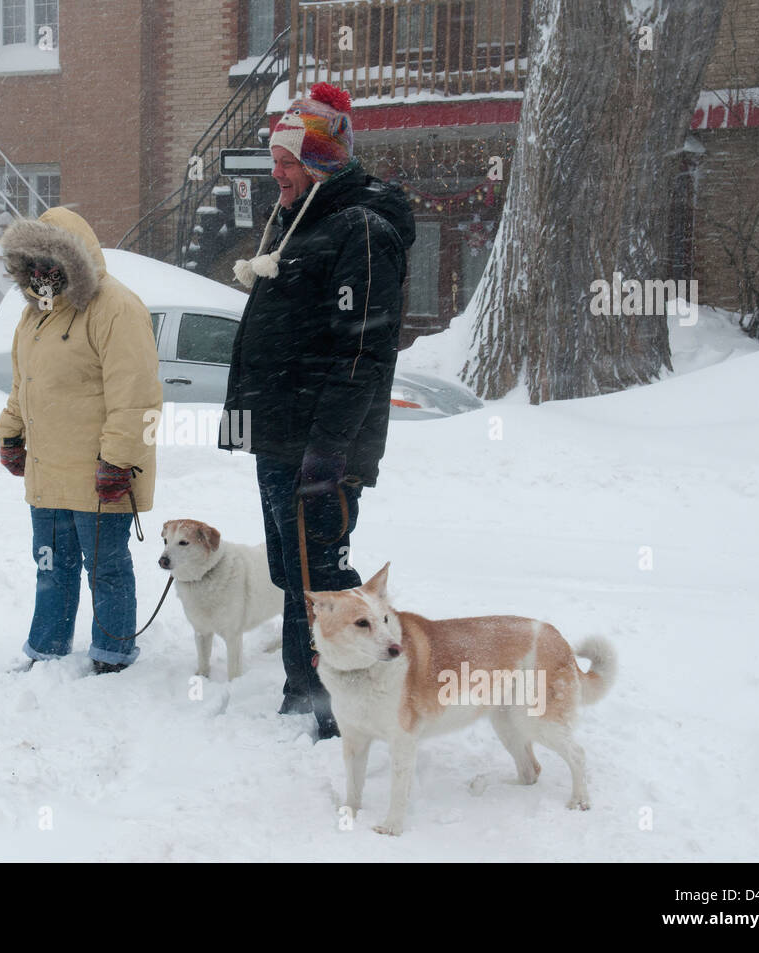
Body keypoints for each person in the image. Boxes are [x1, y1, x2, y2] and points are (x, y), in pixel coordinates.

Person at [219, 83, 417, 738]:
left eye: (288, 161)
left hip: (318, 447)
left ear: (324, 162)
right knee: (290, 571)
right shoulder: (302, 220)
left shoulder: (361, 231)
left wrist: (325, 457)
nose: (276, 173)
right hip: (278, 437)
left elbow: (360, 355)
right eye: (275, 160)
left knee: (323, 576)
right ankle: (307, 688)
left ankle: (345, 704)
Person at [0, 207, 162, 674]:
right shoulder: (36, 314)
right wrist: (11, 431)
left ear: (74, 259)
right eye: (31, 263)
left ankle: (113, 655)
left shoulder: (117, 308)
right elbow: (25, 384)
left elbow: (139, 397)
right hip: (48, 470)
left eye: (49, 261)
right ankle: (46, 648)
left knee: (106, 568)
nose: (41, 274)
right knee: (51, 565)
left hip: (99, 472)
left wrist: (118, 461)